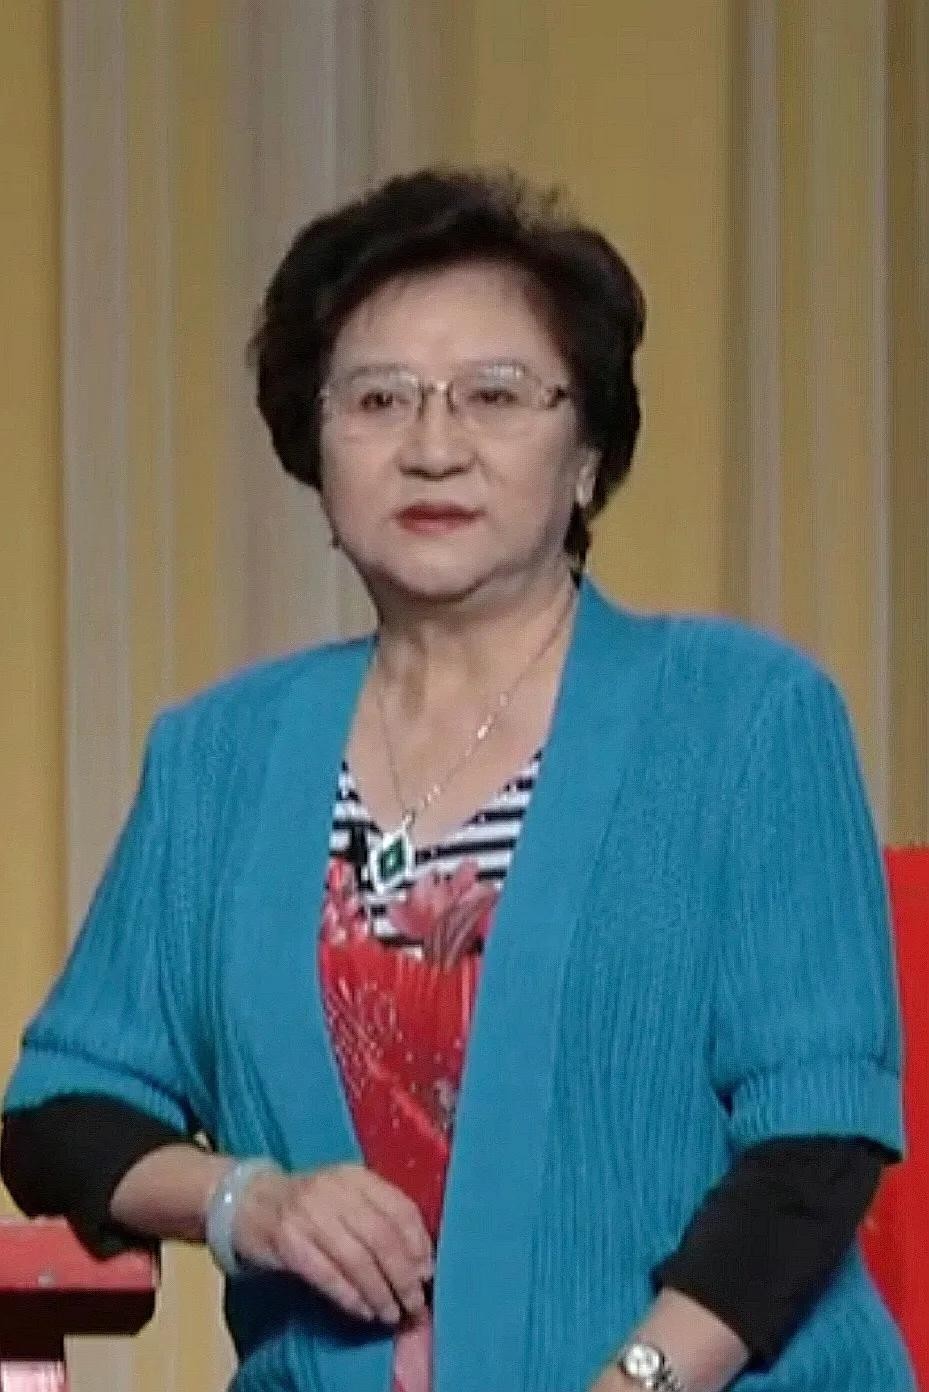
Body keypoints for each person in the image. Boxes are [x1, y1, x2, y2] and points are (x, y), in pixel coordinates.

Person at [0, 167, 915, 1392]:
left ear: (586, 454)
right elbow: (60, 1118)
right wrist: (247, 1202)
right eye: (377, 400)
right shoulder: (217, 757)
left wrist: (638, 1380)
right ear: (314, 455)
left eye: (494, 395)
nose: (433, 448)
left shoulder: (746, 717)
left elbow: (814, 1146)